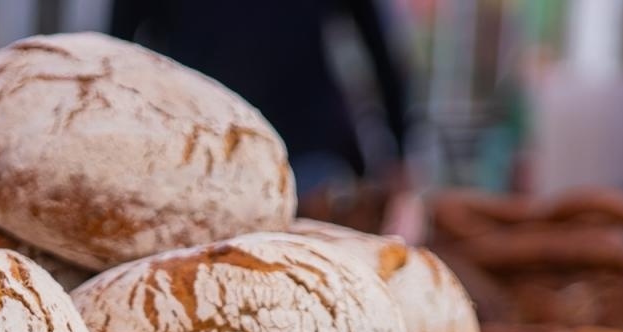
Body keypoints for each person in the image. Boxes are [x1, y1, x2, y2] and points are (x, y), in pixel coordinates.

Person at [110, 0, 412, 193]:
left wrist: (400, 153)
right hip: (217, 153)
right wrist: (400, 153)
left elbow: (116, 53)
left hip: (213, 151)